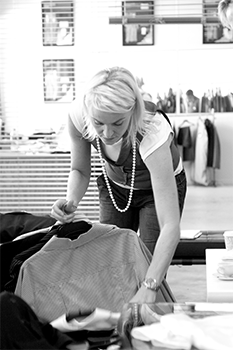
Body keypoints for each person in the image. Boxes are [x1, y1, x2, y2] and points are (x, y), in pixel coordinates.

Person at [51, 66, 187, 304]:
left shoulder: (152, 131)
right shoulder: (78, 114)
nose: (107, 132)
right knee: (109, 260)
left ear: (132, 112)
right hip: (116, 187)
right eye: (98, 123)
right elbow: (80, 170)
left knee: (148, 267)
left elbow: (170, 225)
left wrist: (151, 286)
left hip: (156, 192)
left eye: (117, 123)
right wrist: (70, 201)